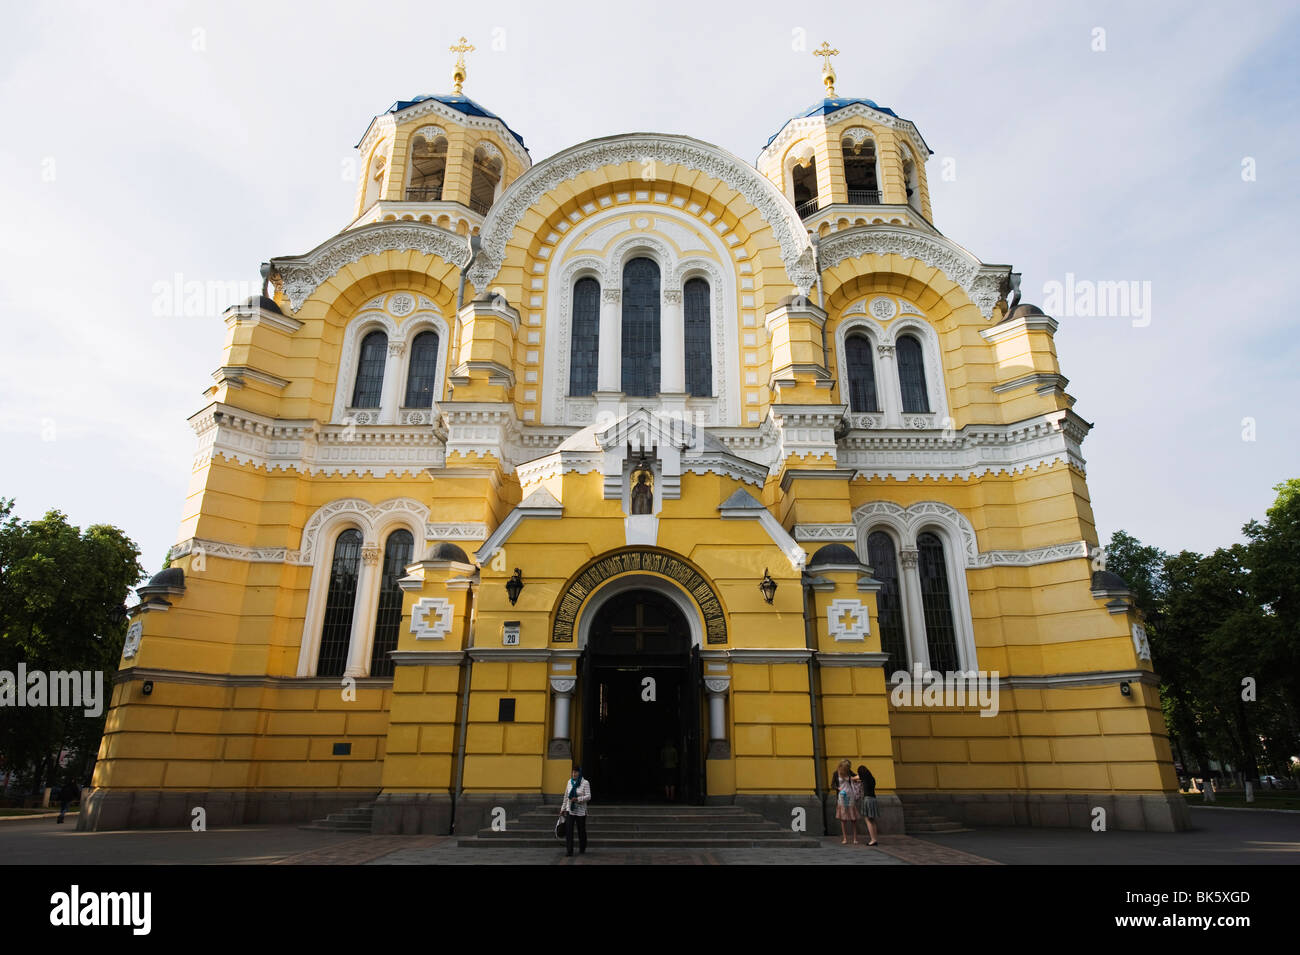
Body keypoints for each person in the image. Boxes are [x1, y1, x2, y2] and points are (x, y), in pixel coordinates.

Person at [561, 765, 591, 857]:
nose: (574, 774)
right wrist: (563, 809)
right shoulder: (569, 782)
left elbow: (589, 796)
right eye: (573, 772)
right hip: (570, 810)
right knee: (569, 830)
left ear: (579, 773)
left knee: (581, 830)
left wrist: (578, 799)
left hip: (581, 811)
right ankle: (569, 850)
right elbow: (566, 796)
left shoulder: (585, 783)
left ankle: (582, 847)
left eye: (576, 772)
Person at [831, 759, 861, 846]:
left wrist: (854, 778)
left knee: (853, 818)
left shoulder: (849, 772)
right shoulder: (836, 773)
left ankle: (855, 838)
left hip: (850, 795)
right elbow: (832, 785)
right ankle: (845, 838)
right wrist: (838, 788)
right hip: (841, 796)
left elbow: (858, 777)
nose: (846, 769)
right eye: (845, 768)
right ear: (841, 766)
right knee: (843, 818)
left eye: (847, 768)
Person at [856, 764, 879, 846]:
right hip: (873, 799)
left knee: (868, 820)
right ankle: (875, 838)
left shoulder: (863, 779)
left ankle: (872, 840)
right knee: (872, 820)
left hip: (867, 800)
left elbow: (854, 778)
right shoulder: (871, 779)